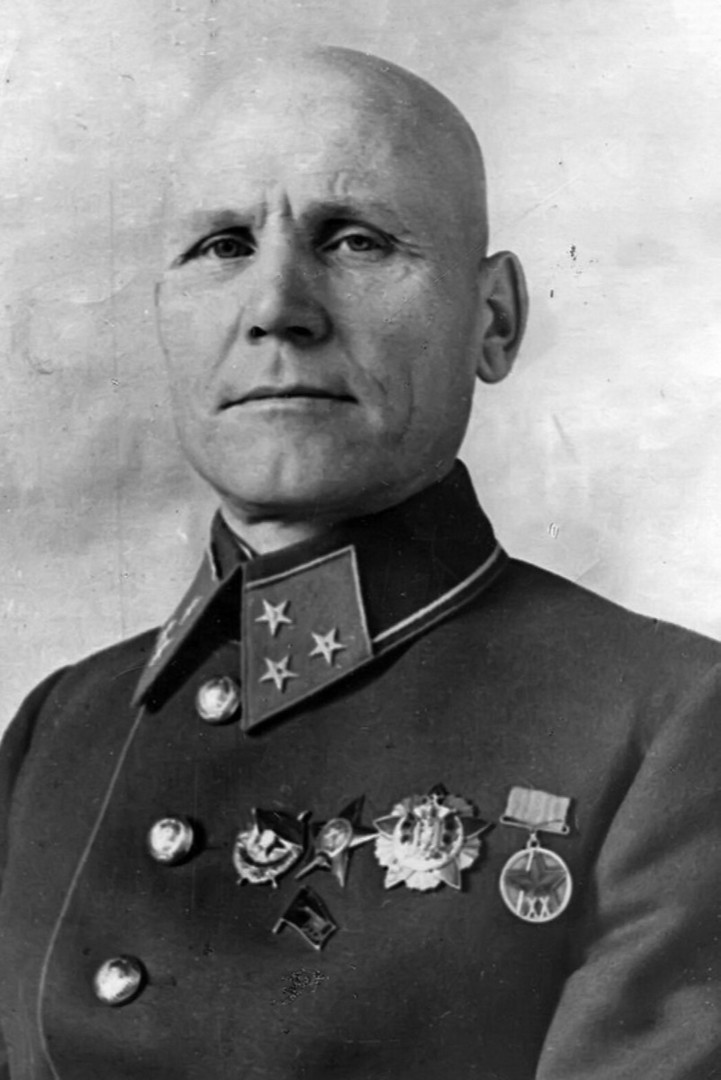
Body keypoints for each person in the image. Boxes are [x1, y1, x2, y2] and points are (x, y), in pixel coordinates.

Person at [1, 44, 721, 1080]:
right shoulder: (57, 727)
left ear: (493, 320)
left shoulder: (672, 723)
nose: (276, 306)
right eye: (222, 245)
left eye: (355, 240)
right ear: (162, 314)